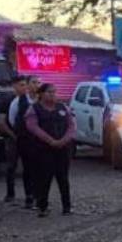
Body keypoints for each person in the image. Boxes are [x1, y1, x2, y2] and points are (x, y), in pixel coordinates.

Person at [24, 83, 75, 216]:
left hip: (63, 149)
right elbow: (33, 128)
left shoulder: (63, 107)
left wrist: (64, 140)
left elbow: (71, 125)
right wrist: (50, 141)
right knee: (44, 178)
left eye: (54, 92)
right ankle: (42, 207)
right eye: (49, 92)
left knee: (63, 178)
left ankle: (67, 207)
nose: (52, 95)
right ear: (41, 94)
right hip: (43, 150)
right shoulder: (34, 109)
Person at [0, 75, 31, 205]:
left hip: (26, 138)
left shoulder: (28, 100)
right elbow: (2, 121)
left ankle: (30, 194)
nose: (24, 88)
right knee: (11, 166)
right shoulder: (7, 100)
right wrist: (12, 135)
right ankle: (10, 193)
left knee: (28, 167)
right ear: (14, 86)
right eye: (21, 85)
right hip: (11, 137)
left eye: (25, 85)